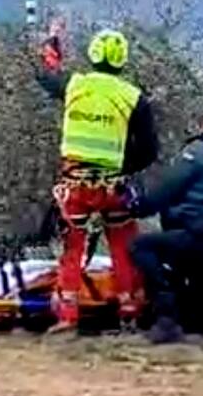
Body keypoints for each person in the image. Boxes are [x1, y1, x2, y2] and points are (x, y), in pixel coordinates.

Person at [37, 18, 159, 332]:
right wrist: (122, 168)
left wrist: (53, 39)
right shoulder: (133, 97)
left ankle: (67, 315)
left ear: (92, 55)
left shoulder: (75, 85)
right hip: (113, 186)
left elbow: (46, 74)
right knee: (122, 243)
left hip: (75, 185)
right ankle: (129, 310)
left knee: (72, 246)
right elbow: (148, 150)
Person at [122, 104, 203, 344]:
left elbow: (167, 189)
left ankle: (166, 320)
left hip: (198, 240)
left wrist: (136, 205)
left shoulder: (202, 151)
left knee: (142, 247)